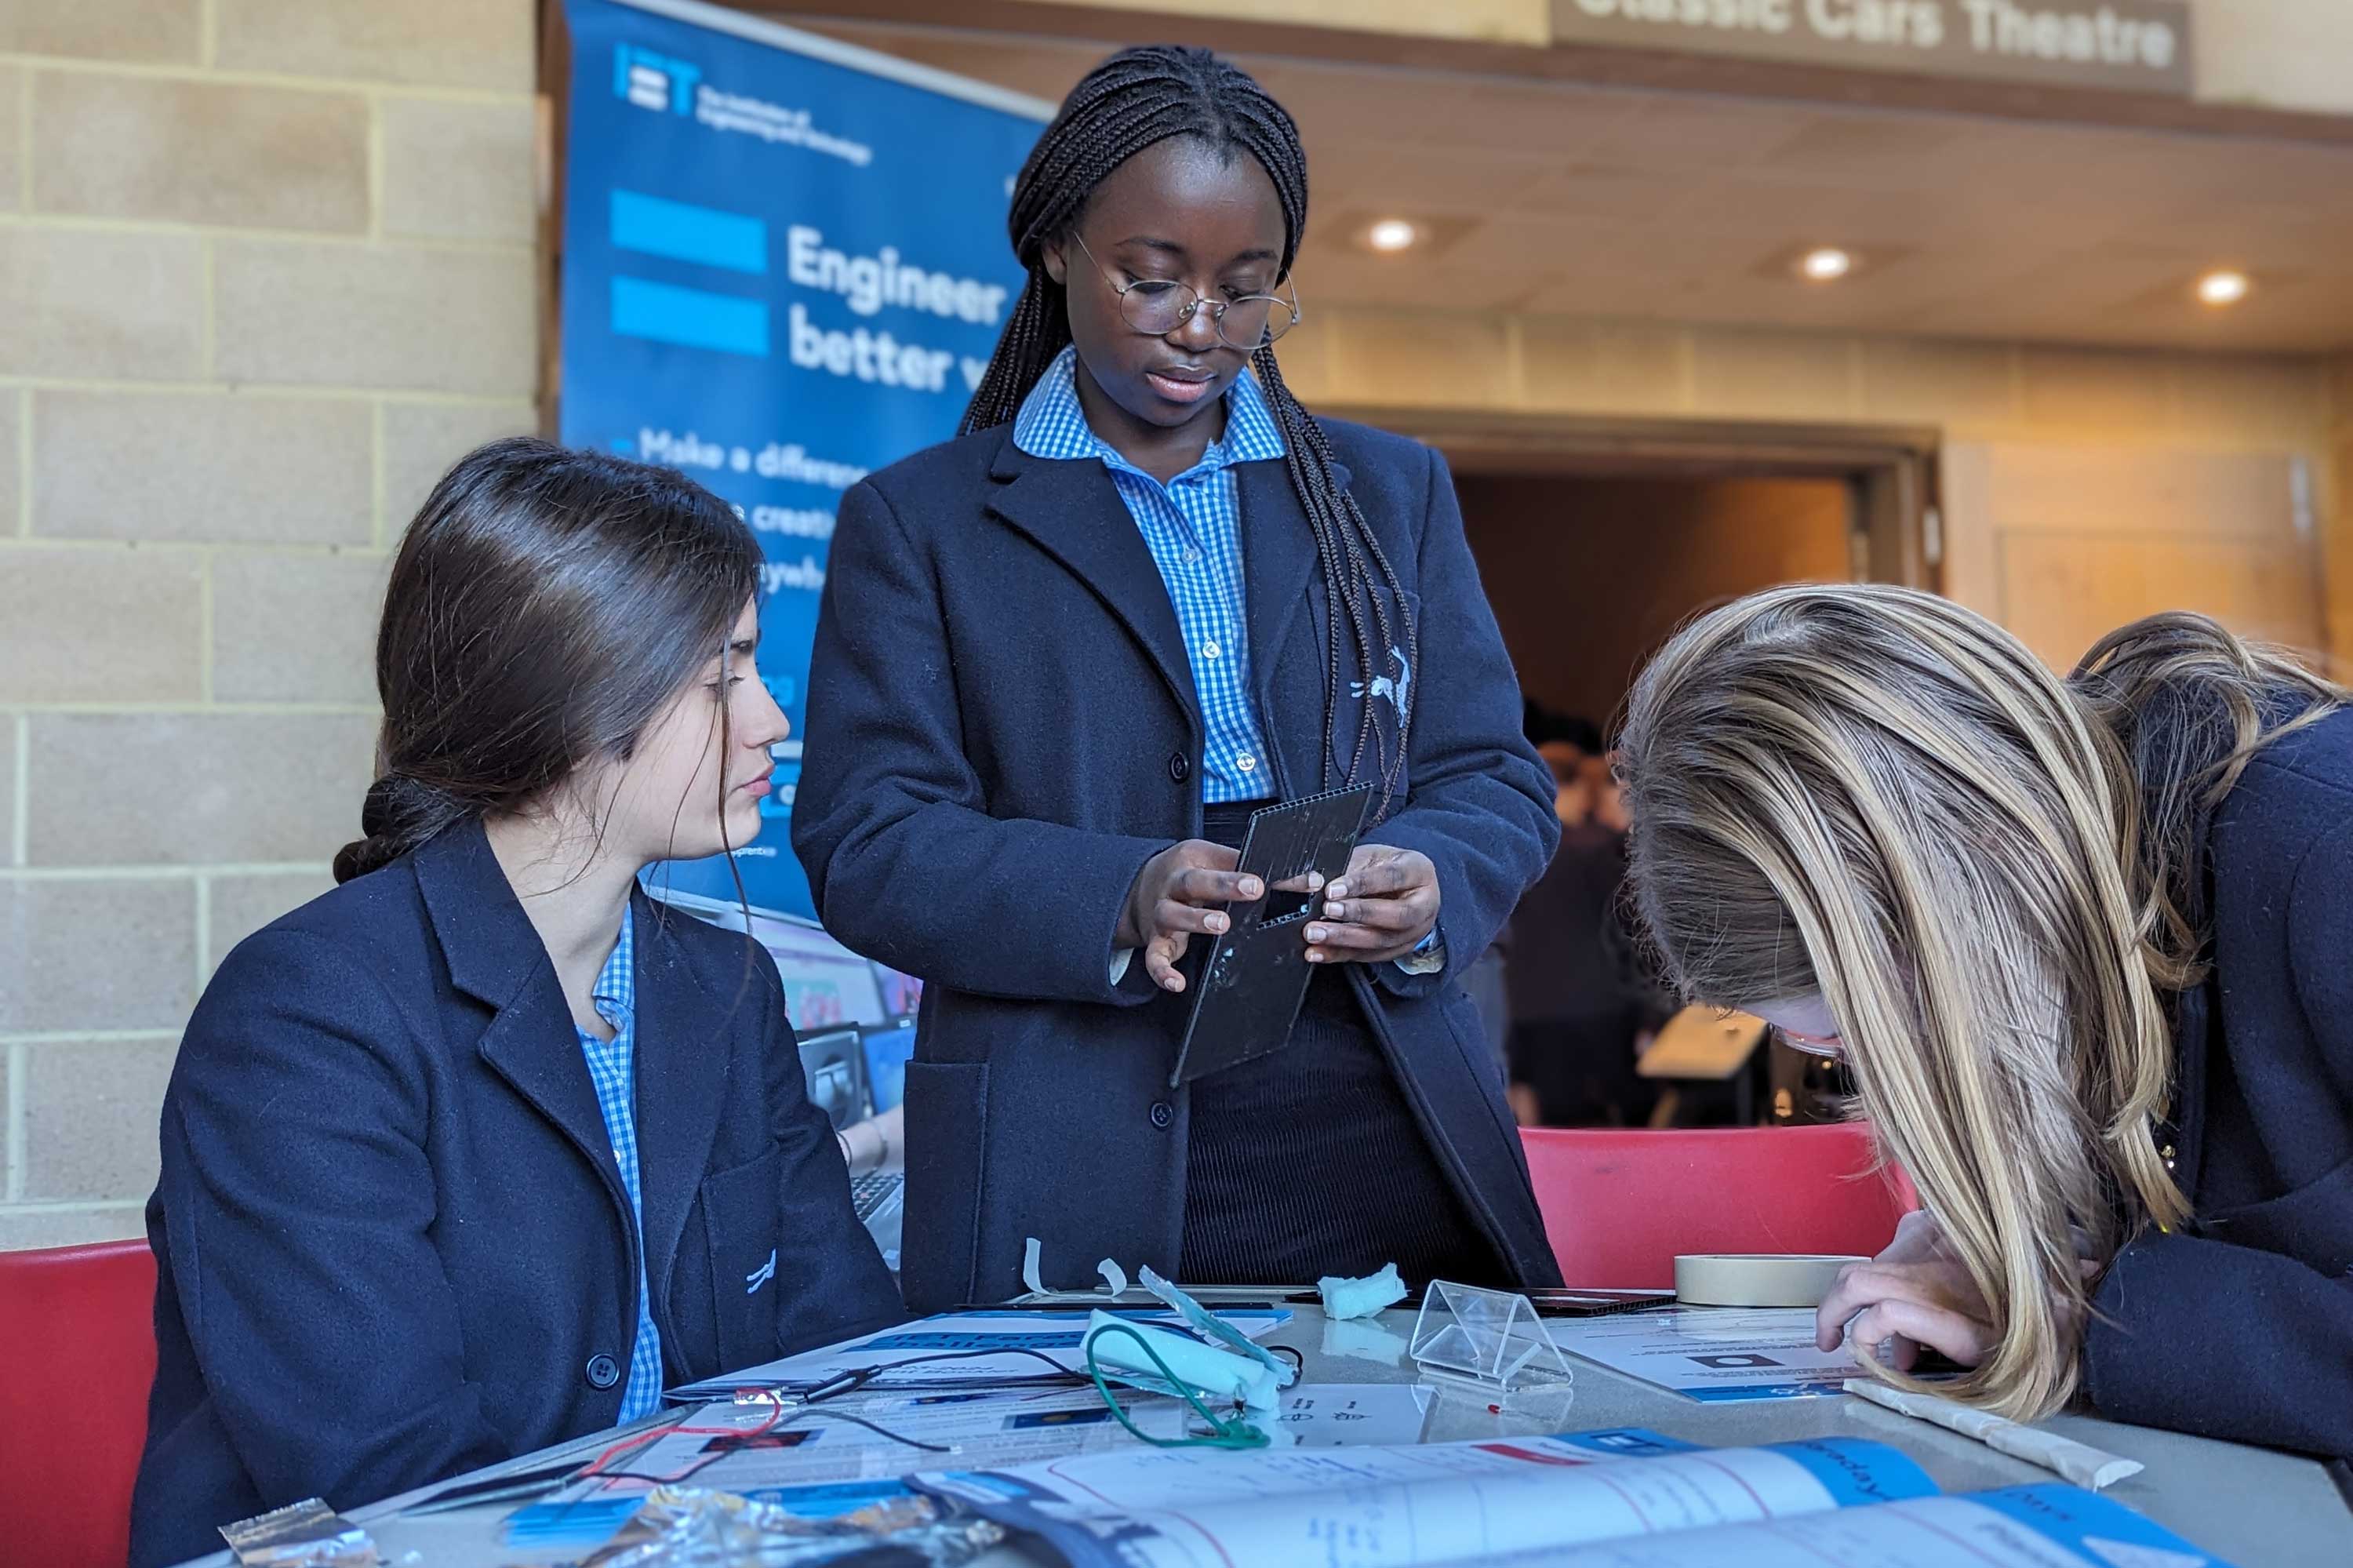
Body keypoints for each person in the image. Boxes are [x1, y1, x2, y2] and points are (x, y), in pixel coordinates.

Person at [792, 45, 1563, 1312]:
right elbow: (870, 839)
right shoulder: (921, 521)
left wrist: (1431, 876)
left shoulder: (1389, 491)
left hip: (1385, 1118)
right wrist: (1115, 889)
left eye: (1246, 289)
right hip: (1070, 1133)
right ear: (1054, 247)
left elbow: (1488, 772)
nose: (1200, 329)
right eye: (1151, 280)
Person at [130, 439, 903, 1566]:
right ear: (577, 688)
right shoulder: (306, 1015)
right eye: (724, 671)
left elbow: (846, 1366)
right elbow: (396, 1481)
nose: (771, 719)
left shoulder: (721, 986)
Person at [1617, 582, 2353, 1458]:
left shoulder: (2326, 853)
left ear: (1964, 901)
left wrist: (2085, 1316)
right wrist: (2050, 1247)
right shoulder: (2122, 889)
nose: (1897, 1088)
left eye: (1871, 1036)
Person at [1504, 714, 1664, 1126]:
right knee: (1630, 1125)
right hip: (1602, 1007)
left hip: (1530, 1011)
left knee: (1561, 1131)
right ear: (1574, 788)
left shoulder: (1511, 856)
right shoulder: (1599, 851)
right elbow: (1632, 931)